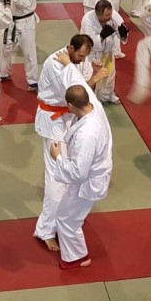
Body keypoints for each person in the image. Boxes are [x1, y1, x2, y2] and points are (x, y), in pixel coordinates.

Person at [32, 35, 106, 251]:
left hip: (70, 118)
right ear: (70, 48)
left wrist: (92, 73)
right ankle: (45, 230)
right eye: (80, 55)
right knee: (56, 178)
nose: (82, 60)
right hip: (53, 122)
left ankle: (60, 216)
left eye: (85, 57)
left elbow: (83, 92)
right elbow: (76, 95)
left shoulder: (76, 60)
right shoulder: (56, 64)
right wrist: (95, 77)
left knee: (66, 175)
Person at [49, 84, 113, 269]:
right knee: (68, 215)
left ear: (70, 105)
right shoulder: (94, 109)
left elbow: (78, 172)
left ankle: (77, 257)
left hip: (87, 182)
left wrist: (57, 157)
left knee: (66, 218)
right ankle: (73, 248)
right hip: (93, 174)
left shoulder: (87, 134)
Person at [79, 1, 128, 104]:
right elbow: (90, 42)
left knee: (109, 75)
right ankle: (92, 99)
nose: (109, 17)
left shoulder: (114, 16)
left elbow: (120, 33)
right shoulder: (87, 20)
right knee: (92, 76)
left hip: (108, 51)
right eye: (106, 15)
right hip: (93, 53)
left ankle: (108, 95)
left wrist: (123, 35)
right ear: (98, 14)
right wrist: (102, 36)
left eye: (110, 14)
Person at [0, 0, 39, 90]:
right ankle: (4, 73)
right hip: (11, 21)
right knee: (5, 48)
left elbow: (27, 3)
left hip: (25, 21)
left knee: (28, 52)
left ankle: (33, 80)